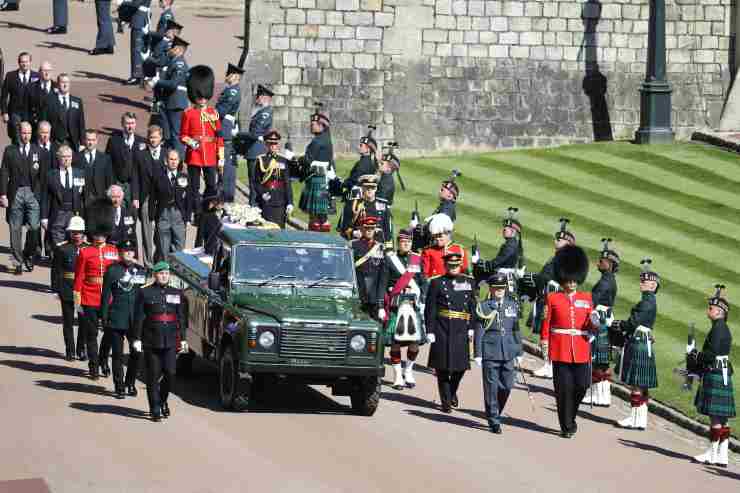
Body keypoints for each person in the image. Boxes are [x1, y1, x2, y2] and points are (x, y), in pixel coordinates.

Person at [540, 244, 595, 438]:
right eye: (568, 280)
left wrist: (596, 324)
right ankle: (566, 425)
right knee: (563, 390)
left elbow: (591, 325)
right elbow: (546, 323)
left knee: (581, 385)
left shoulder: (587, 298)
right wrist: (544, 342)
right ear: (563, 278)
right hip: (560, 347)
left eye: (574, 280)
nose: (571, 283)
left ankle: (570, 415)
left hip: (580, 347)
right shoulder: (553, 298)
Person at [132, 260, 187, 421]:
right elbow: (139, 317)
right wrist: (137, 338)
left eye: (167, 274)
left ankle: (162, 401)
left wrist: (183, 338)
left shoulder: (177, 293)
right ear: (155, 275)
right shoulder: (145, 293)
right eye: (161, 273)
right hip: (151, 338)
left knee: (170, 373)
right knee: (153, 375)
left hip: (170, 339)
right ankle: (154, 407)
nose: (164, 276)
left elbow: (181, 318)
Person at [73, 198, 118, 380]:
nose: (99, 236)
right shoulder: (85, 252)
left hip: (109, 299)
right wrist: (78, 300)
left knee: (109, 333)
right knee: (91, 335)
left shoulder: (113, 251)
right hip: (90, 297)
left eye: (102, 233)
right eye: (96, 233)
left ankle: (102, 359)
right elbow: (79, 277)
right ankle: (93, 367)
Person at [611, 258, 659, 431]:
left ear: (653, 286)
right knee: (642, 384)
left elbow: (634, 322)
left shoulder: (647, 302)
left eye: (644, 281)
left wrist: (619, 325)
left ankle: (634, 418)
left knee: (637, 384)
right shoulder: (649, 301)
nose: (641, 283)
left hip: (638, 341)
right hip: (643, 341)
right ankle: (641, 419)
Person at [425, 251, 475, 413]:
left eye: (456, 265)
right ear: (446, 266)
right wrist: (430, 330)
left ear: (460, 265)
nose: (453, 268)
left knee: (460, 367)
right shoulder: (437, 283)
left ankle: (451, 391)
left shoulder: (469, 282)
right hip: (442, 327)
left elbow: (473, 307)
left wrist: (472, 327)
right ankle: (446, 401)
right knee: (443, 367)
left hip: (461, 327)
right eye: (450, 266)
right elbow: (430, 308)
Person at [690, 286, 734, 467]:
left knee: (715, 417)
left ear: (720, 312)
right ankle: (722, 455)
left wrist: (695, 356)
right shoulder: (721, 327)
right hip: (721, 372)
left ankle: (711, 453)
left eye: (711, 308)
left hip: (715, 371)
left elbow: (711, 354)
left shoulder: (718, 329)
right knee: (721, 418)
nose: (708, 310)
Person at [473, 272, 523, 434]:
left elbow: (516, 329)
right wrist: (478, 353)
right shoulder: (484, 306)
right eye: (497, 288)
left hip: (508, 351)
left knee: (507, 385)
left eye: (502, 288)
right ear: (491, 289)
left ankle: (496, 410)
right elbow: (479, 331)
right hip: (490, 351)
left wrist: (519, 350)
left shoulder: (512, 305)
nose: (500, 291)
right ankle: (493, 419)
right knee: (491, 387)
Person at [100, 239, 147, 398]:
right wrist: (104, 316)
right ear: (120, 253)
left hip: (135, 320)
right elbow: (106, 295)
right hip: (117, 317)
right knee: (118, 354)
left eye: (131, 251)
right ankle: (119, 385)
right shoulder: (112, 270)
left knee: (136, 352)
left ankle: (130, 382)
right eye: (125, 251)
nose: (128, 253)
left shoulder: (140, 271)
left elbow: (144, 296)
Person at [532, 218, 575, 379]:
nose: (556, 241)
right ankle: (548, 363)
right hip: (549, 297)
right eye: (557, 238)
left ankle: (550, 364)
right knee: (546, 331)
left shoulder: (565, 260)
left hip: (555, 299)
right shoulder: (557, 257)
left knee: (549, 331)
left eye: (560, 239)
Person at [383, 228, 426, 390]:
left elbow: (424, 282)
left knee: (414, 342)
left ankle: (408, 370)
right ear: (398, 243)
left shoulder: (417, 259)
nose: (406, 244)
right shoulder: (390, 259)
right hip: (396, 304)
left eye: (408, 242)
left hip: (413, 304)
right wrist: (388, 293)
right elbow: (384, 281)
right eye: (403, 242)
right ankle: (397, 376)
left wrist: (422, 298)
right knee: (395, 342)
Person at [0, 121, 46, 274]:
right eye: (23, 133)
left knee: (34, 226)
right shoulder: (10, 151)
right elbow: (4, 172)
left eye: (28, 133)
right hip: (15, 193)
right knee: (15, 228)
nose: (26, 136)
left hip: (32, 193)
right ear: (18, 133)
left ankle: (27, 253)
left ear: (32, 134)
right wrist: (3, 194)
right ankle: (18, 261)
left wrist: (39, 195)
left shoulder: (38, 151)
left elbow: (42, 176)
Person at [179, 65, 223, 221]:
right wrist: (192, 142)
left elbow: (219, 136)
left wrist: (221, 155)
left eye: (204, 96)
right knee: (194, 187)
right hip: (195, 155)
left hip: (210, 154)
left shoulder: (213, 113)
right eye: (200, 96)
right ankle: (197, 213)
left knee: (211, 185)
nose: (203, 98)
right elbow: (182, 135)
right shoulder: (188, 114)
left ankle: (208, 210)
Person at [582, 239, 619, 407]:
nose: (598, 263)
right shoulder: (608, 279)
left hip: (600, 320)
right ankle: (602, 396)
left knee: (598, 360)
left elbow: (593, 301)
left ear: (610, 264)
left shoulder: (605, 281)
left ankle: (600, 396)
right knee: (601, 362)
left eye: (602, 261)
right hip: (604, 319)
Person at [147, 36, 189, 154]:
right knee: (169, 133)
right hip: (171, 101)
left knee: (176, 134)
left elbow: (174, 84)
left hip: (176, 102)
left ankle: (178, 161)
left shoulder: (179, 63)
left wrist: (157, 81)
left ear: (179, 49)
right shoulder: (174, 61)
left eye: (172, 48)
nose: (170, 50)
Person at [53, 215, 87, 360]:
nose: (77, 235)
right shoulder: (63, 249)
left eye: (79, 232)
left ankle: (81, 349)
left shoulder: (89, 248)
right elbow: (56, 270)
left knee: (83, 321)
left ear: (83, 233)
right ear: (70, 233)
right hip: (67, 288)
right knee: (68, 321)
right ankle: (70, 350)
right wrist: (56, 289)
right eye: (74, 232)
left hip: (83, 290)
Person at [131, 125, 165, 267]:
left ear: (161, 138)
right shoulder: (140, 155)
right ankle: (148, 263)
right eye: (151, 137)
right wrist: (135, 197)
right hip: (145, 198)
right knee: (146, 230)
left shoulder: (166, 154)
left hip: (162, 199)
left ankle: (160, 259)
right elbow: (135, 177)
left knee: (161, 230)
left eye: (156, 137)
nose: (153, 140)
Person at [41, 145, 85, 247]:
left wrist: (84, 215)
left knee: (74, 241)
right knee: (58, 243)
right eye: (63, 156)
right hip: (58, 213)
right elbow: (45, 198)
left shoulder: (80, 173)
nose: (66, 159)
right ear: (58, 157)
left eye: (69, 156)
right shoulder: (50, 175)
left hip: (74, 213)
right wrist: (44, 217)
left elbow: (84, 196)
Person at [298, 107, 334, 232]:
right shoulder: (327, 140)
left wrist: (295, 159)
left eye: (313, 124)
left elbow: (308, 160)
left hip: (316, 178)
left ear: (322, 126)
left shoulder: (317, 141)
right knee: (322, 215)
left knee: (314, 216)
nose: (311, 126)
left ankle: (314, 237)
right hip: (323, 178)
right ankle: (323, 238)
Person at [151, 148, 189, 261]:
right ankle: (164, 272)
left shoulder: (184, 177)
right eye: (171, 159)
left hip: (178, 214)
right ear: (166, 161)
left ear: (179, 161)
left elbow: (189, 198)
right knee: (163, 247)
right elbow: (153, 197)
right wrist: (152, 217)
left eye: (175, 159)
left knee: (180, 246)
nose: (173, 162)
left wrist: (187, 216)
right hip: (163, 214)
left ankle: (177, 273)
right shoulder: (158, 176)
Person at [473, 207, 523, 287]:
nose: (503, 230)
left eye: (505, 229)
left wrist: (480, 262)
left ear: (513, 231)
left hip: (503, 277)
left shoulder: (510, 245)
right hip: (505, 276)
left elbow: (497, 262)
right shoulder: (512, 243)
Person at [215, 63, 243, 203]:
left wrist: (207, 115)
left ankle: (225, 196)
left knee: (224, 164)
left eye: (229, 74)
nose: (227, 76)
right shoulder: (229, 90)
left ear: (236, 76)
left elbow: (221, 110)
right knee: (221, 163)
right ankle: (221, 193)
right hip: (222, 128)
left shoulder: (232, 92)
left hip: (224, 129)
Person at [253, 129, 293, 228]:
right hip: (266, 198)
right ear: (266, 144)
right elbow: (256, 182)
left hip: (280, 199)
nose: (273, 146)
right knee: (266, 228)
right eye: (270, 144)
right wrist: (262, 194)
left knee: (279, 228)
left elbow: (287, 183)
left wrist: (290, 202)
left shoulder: (283, 160)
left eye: (275, 144)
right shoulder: (261, 160)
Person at [339, 175, 391, 247]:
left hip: (377, 246)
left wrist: (389, 248)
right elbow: (343, 229)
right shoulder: (352, 205)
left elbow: (388, 232)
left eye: (372, 187)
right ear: (362, 188)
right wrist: (354, 233)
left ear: (376, 189)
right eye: (367, 187)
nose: (370, 190)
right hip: (358, 244)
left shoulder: (383, 206)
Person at [351, 216, 387, 320]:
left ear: (375, 229)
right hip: (358, 294)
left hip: (374, 296)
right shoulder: (353, 245)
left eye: (371, 228)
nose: (369, 231)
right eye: (366, 228)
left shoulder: (380, 247)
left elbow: (383, 276)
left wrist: (380, 303)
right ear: (361, 229)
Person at [106, 112, 145, 205]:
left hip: (135, 185)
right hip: (118, 183)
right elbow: (107, 162)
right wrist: (112, 184)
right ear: (122, 124)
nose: (130, 126)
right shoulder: (113, 140)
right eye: (127, 123)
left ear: (135, 124)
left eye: (132, 123)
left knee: (133, 214)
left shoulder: (142, 142)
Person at [244, 84, 273, 206]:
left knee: (255, 182)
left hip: (257, 151)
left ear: (265, 98)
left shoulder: (265, 113)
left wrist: (240, 136)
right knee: (253, 182)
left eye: (259, 96)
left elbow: (256, 132)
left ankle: (255, 207)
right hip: (254, 150)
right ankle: (253, 206)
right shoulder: (259, 112)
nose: (257, 99)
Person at [42, 73, 86, 150]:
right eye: (62, 82)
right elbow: (45, 121)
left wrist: (82, 143)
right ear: (58, 84)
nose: (65, 85)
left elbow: (81, 124)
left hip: (73, 143)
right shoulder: (49, 101)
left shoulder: (77, 101)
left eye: (67, 82)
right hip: (55, 142)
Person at [1, 52, 36, 145]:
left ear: (30, 62)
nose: (24, 64)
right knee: (17, 139)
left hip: (31, 114)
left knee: (30, 139)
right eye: (22, 62)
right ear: (18, 63)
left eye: (26, 61)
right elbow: (4, 96)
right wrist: (4, 112)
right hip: (15, 113)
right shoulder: (10, 76)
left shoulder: (36, 76)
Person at [420, 213, 468, 279]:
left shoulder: (460, 250)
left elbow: (465, 273)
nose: (437, 239)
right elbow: (424, 276)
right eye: (435, 236)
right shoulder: (428, 251)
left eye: (440, 236)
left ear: (448, 233)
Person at [75, 129, 113, 208]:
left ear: (96, 141)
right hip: (83, 200)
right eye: (88, 140)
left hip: (101, 199)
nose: (90, 142)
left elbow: (109, 180)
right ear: (84, 140)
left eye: (93, 140)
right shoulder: (77, 158)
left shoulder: (105, 158)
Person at [343, 128, 378, 197]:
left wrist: (343, 183)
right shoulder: (371, 162)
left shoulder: (363, 164)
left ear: (368, 149)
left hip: (357, 195)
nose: (358, 147)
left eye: (361, 145)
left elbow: (354, 180)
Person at [125, 0, 152, 85]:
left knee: (136, 50)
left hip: (139, 20)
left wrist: (123, 3)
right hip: (139, 19)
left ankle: (136, 75)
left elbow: (136, 3)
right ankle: (139, 74)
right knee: (137, 49)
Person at [25, 61, 55, 137]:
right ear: (39, 72)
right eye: (44, 71)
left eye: (49, 71)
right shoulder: (30, 87)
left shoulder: (57, 87)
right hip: (35, 127)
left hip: (53, 130)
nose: (47, 73)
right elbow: (25, 108)